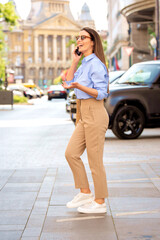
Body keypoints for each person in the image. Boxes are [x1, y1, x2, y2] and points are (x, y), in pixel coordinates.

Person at [63, 27, 109, 214]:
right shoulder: (84, 63)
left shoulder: (97, 64)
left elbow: (102, 93)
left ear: (93, 41)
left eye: (83, 37)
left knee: (95, 161)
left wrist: (78, 85)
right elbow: (68, 81)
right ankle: (85, 192)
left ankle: (100, 202)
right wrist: (74, 61)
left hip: (95, 112)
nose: (79, 40)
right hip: (83, 112)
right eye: (77, 38)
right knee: (71, 153)